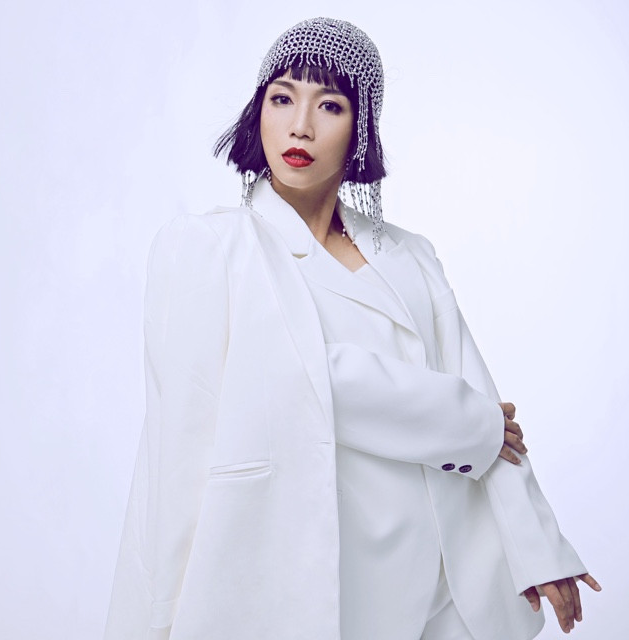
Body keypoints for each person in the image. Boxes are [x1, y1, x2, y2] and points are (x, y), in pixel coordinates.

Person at [104, 17, 600, 640]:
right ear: (258, 112)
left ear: (361, 128)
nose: (300, 125)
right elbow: (287, 377)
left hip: (443, 591)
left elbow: (490, 410)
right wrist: (464, 421)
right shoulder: (210, 248)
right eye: (282, 98)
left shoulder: (410, 254)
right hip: (315, 585)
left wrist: (538, 546)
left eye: (330, 105)